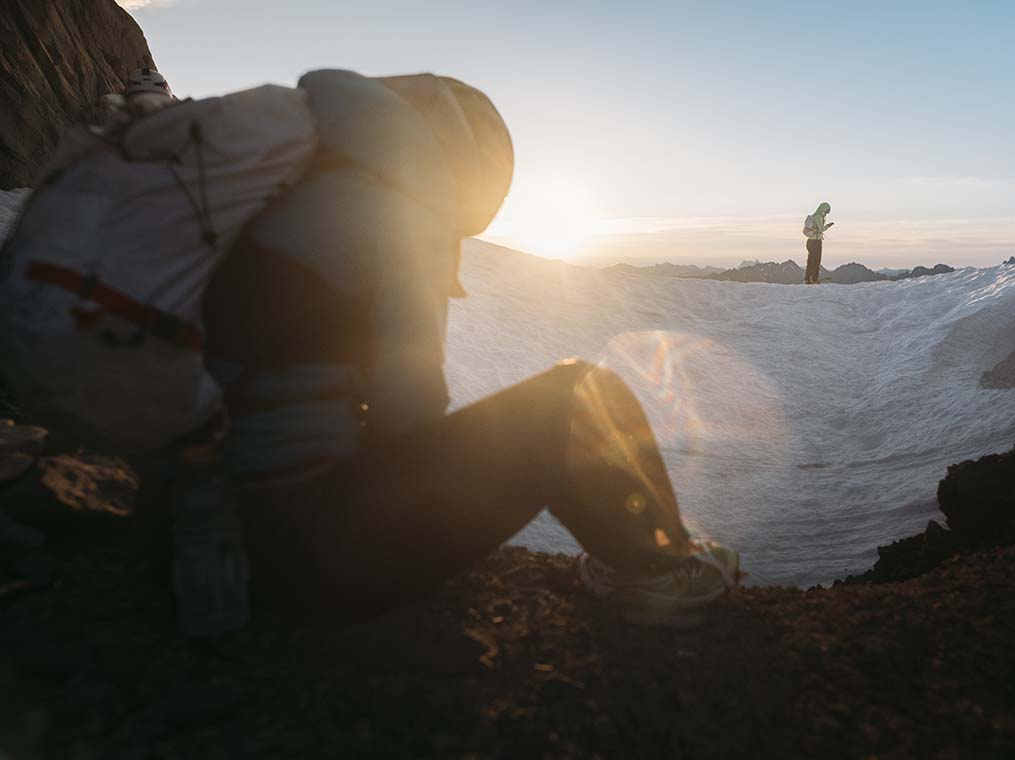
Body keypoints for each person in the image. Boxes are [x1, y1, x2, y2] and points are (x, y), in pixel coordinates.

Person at [202, 70, 739, 623]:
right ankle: (657, 568)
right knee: (577, 391)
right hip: (297, 557)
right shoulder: (401, 214)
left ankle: (650, 553)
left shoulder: (280, 188)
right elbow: (406, 411)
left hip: (203, 528)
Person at [802, 202, 834, 285]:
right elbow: (821, 229)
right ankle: (814, 279)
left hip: (810, 241)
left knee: (810, 261)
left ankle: (807, 279)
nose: (826, 213)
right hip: (816, 242)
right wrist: (828, 226)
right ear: (823, 209)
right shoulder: (818, 217)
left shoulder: (814, 216)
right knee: (816, 261)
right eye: (826, 211)